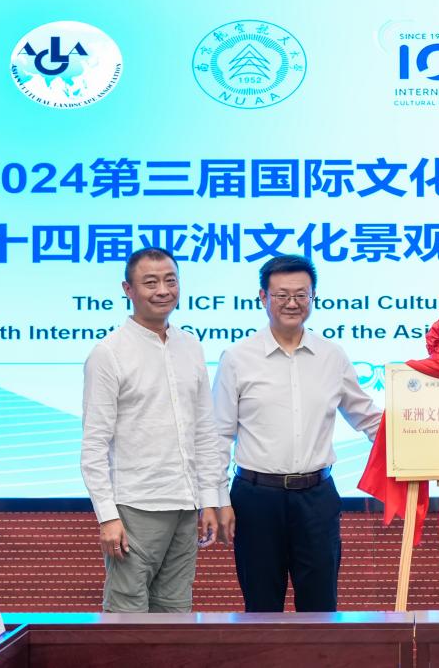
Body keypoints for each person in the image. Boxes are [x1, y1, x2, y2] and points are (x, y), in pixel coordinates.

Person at [212, 254, 382, 612]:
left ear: (313, 297)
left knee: (321, 609)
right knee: (261, 608)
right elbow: (219, 435)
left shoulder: (332, 356)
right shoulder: (237, 357)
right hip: (256, 499)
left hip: (316, 498)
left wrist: (424, 433)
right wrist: (218, 499)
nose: (292, 303)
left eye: (301, 294)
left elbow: (368, 418)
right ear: (263, 297)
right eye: (281, 295)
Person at [80, 247, 223, 613]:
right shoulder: (109, 353)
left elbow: (205, 431)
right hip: (135, 507)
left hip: (186, 504)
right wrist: (107, 516)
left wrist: (210, 499)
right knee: (127, 613)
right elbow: (94, 444)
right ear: (128, 289)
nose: (163, 290)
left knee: (176, 610)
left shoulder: (190, 346)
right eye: (150, 282)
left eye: (170, 281)